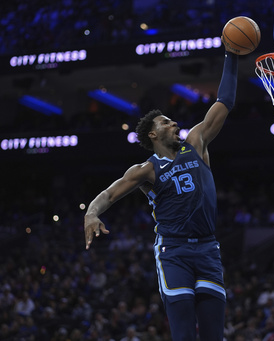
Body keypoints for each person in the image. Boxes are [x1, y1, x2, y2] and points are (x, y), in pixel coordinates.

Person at [83, 43, 239, 341]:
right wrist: (91, 213)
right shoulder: (147, 169)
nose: (174, 123)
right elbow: (109, 194)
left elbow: (225, 101)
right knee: (183, 335)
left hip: (208, 248)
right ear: (153, 134)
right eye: (166, 122)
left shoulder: (196, 143)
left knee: (212, 336)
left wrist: (231, 55)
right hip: (174, 251)